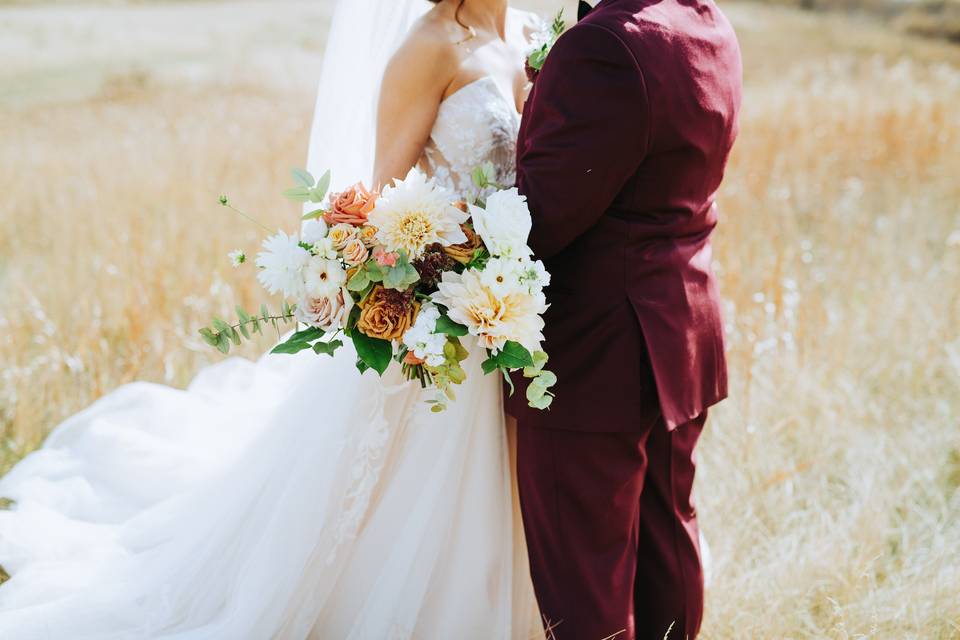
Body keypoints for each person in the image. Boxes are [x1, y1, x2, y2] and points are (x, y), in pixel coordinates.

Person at [0, 1, 543, 637]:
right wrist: (430, 279)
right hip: (437, 321)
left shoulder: (538, 35)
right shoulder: (427, 47)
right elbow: (377, 203)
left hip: (515, 306)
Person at [505, 1, 743, 638]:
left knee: (585, 571)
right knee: (670, 537)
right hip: (682, 322)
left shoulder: (603, 46)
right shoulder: (706, 21)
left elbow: (539, 220)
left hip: (599, 349)